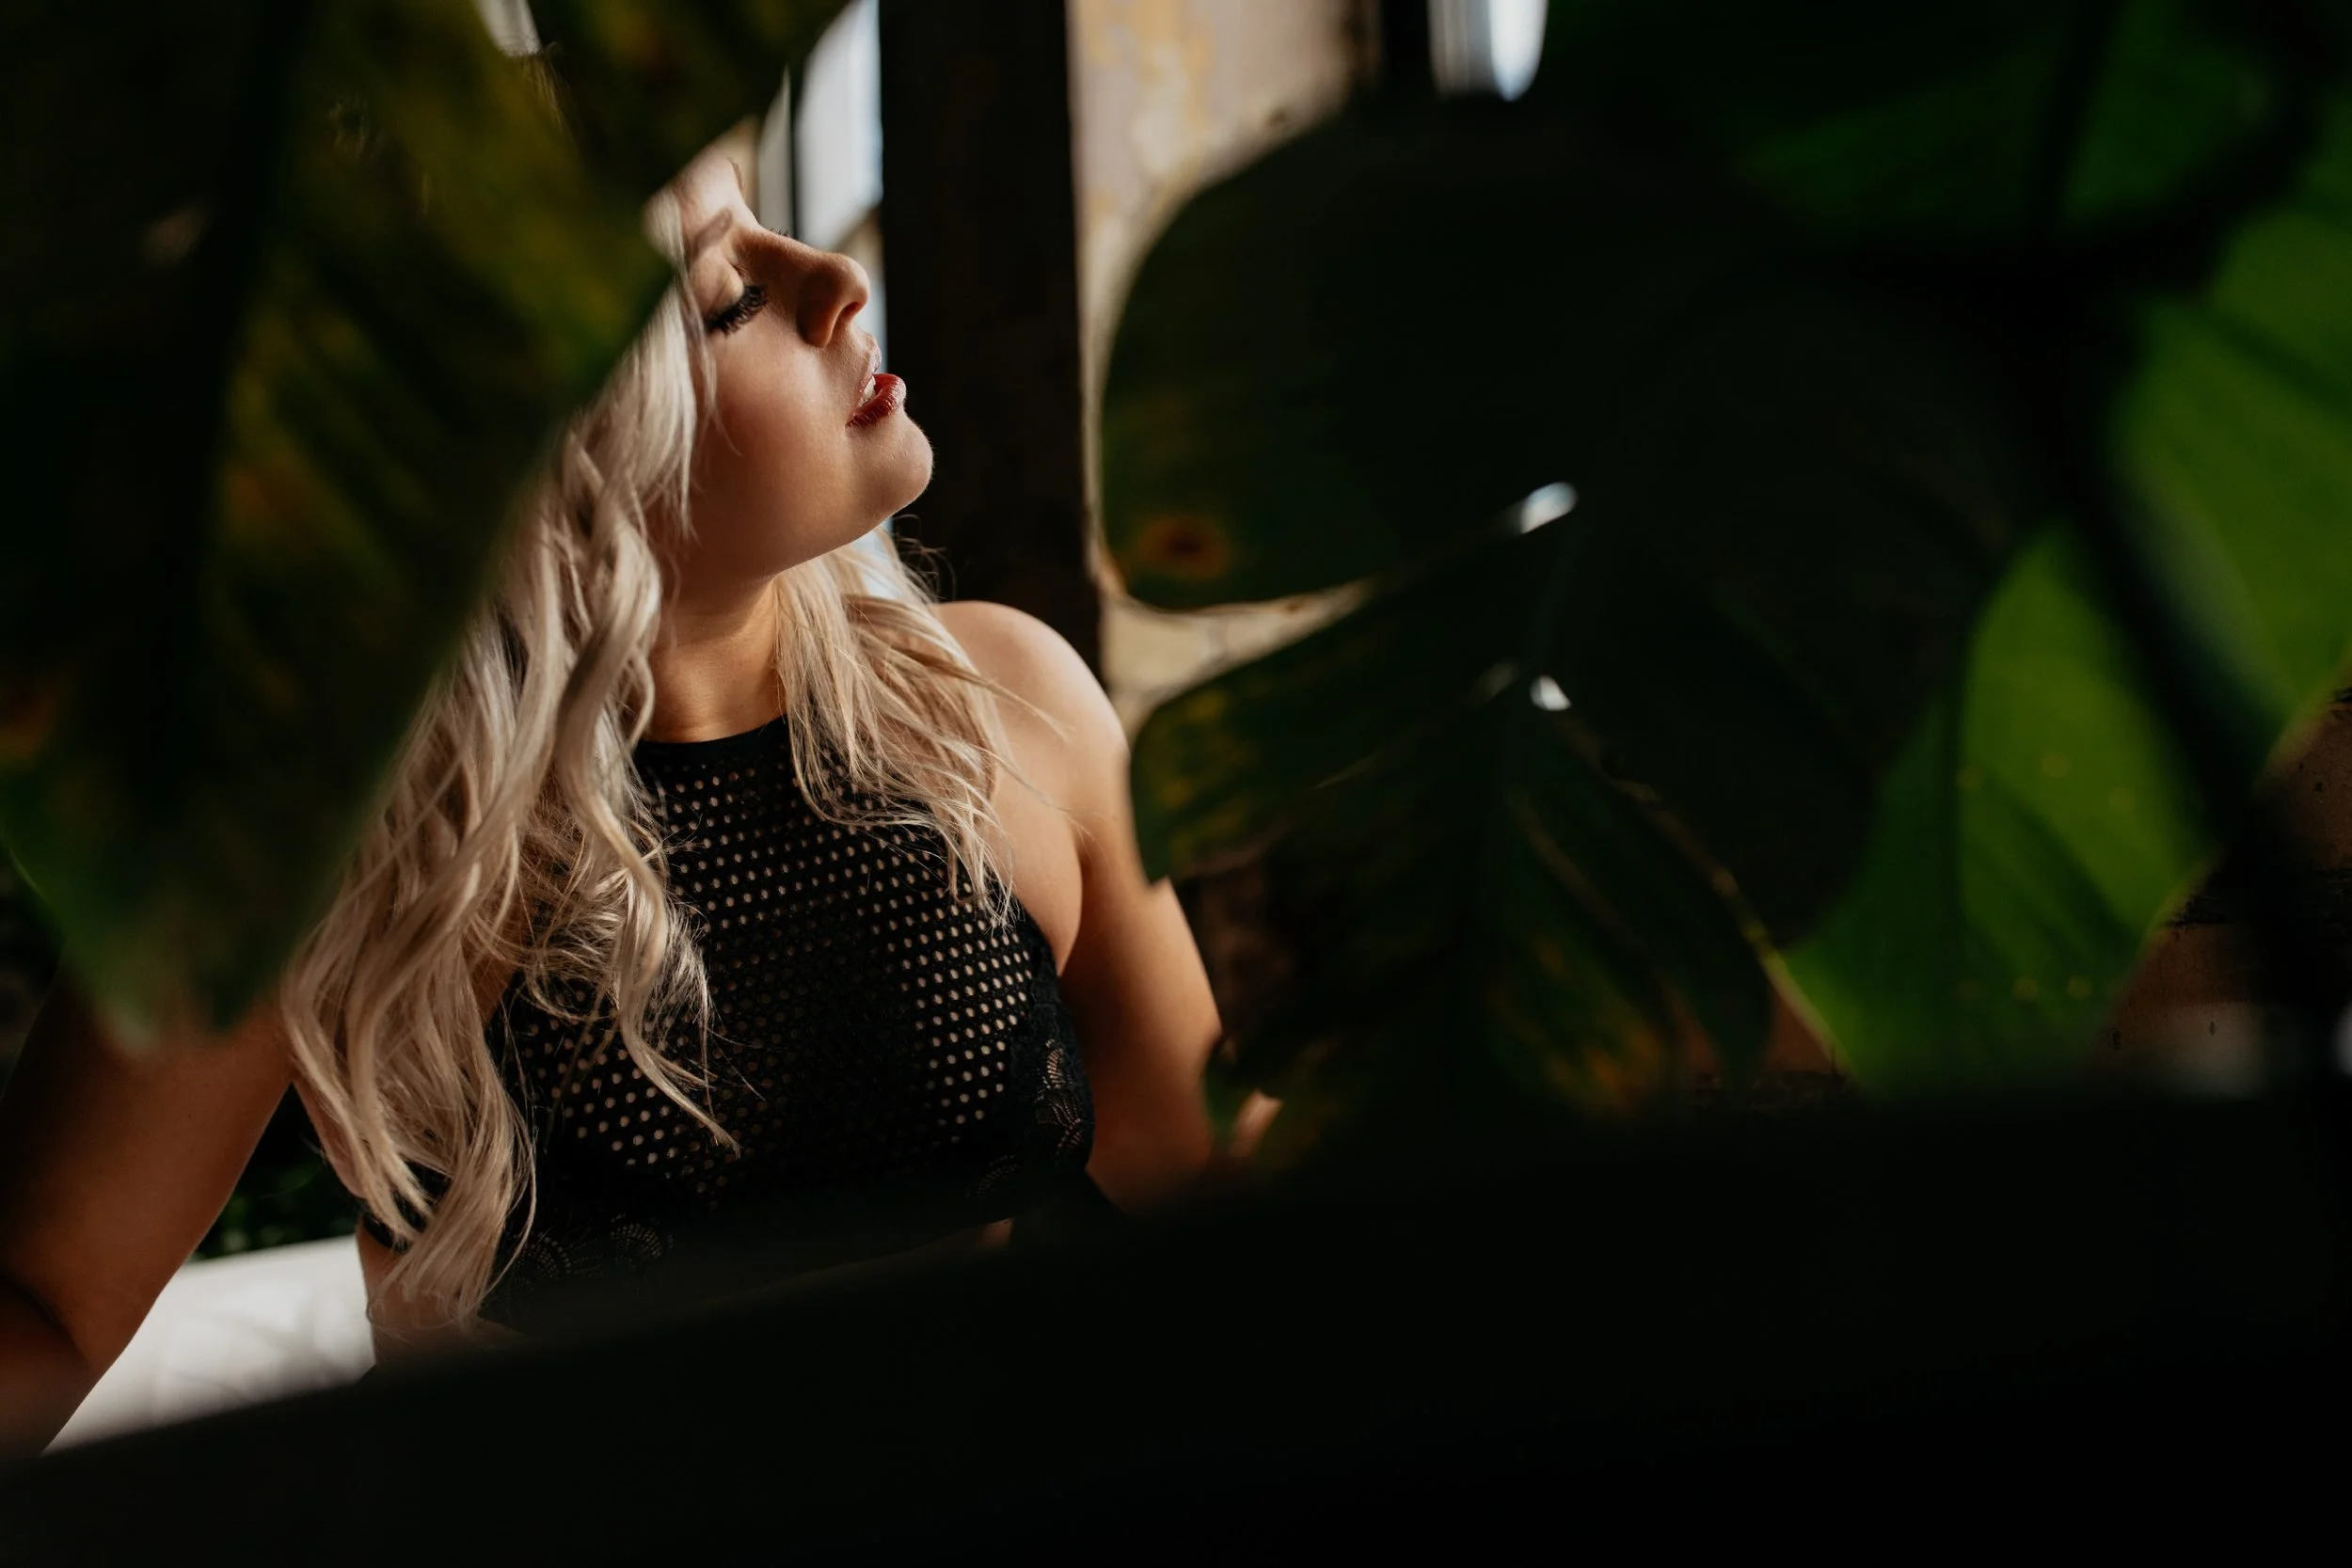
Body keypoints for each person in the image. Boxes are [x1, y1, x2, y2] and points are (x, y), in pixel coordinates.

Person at [0, 147, 1221, 1453]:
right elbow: (50, 1304)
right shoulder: (329, 833)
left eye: (771, 224)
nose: (837, 281)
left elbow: (1207, 1181)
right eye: (726, 298)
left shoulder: (1009, 702)